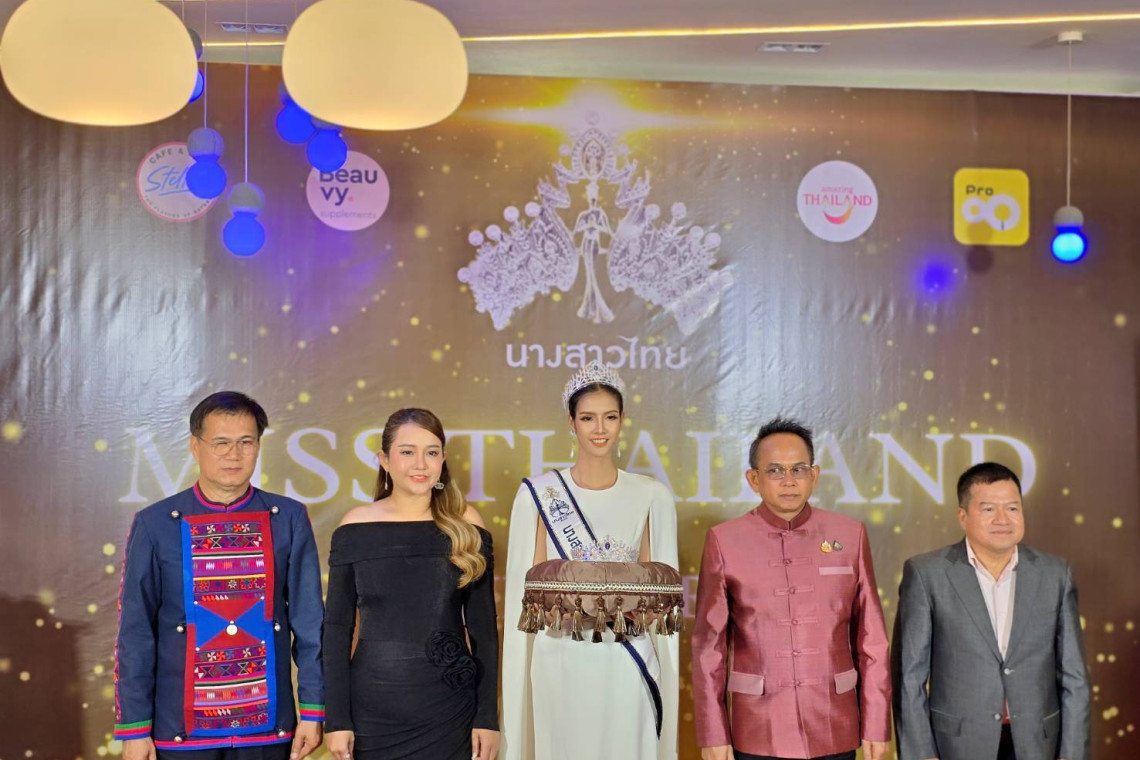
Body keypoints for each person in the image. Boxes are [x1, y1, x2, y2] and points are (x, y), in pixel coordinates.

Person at [113, 391, 325, 760]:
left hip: (267, 730)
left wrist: (312, 711)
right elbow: (135, 631)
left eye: (246, 442)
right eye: (221, 443)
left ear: (258, 447)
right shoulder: (156, 523)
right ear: (195, 447)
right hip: (179, 731)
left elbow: (310, 623)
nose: (234, 454)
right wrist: (135, 728)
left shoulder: (288, 518)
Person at [500, 360, 679, 760]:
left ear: (622, 421)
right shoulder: (539, 495)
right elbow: (530, 595)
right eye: (587, 418)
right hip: (561, 655)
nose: (600, 429)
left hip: (628, 656)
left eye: (610, 417)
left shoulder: (651, 495)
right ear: (571, 422)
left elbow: (655, 592)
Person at [691, 417, 891, 760]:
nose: (788, 481)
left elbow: (872, 639)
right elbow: (709, 648)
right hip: (758, 726)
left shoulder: (849, 535)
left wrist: (876, 722)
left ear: (814, 475)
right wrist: (712, 731)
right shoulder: (724, 541)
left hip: (834, 721)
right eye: (775, 471)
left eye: (798, 469)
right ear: (754, 479)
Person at [323, 408, 499, 760]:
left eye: (431, 452)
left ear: (443, 459)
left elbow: (483, 629)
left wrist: (487, 718)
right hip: (372, 710)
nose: (421, 464)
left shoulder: (467, 525)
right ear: (384, 460)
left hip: (451, 710)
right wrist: (336, 720)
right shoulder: (354, 527)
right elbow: (337, 629)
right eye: (407, 452)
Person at [893, 462, 1090, 760]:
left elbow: (1074, 675)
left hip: (1037, 743)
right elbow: (909, 676)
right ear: (962, 516)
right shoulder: (926, 574)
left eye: (1012, 508)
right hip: (957, 744)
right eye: (988, 509)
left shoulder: (1055, 574)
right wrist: (921, 753)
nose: (1003, 519)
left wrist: (1072, 753)